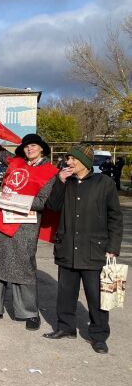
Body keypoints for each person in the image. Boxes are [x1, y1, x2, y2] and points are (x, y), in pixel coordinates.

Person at [43, 144, 123, 354]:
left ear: (85, 162)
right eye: (67, 158)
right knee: (65, 293)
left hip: (94, 250)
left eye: (72, 158)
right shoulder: (64, 181)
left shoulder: (104, 183)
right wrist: (59, 182)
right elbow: (52, 206)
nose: (68, 162)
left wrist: (113, 246)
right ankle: (66, 328)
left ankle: (99, 336)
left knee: (97, 297)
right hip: (67, 247)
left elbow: (115, 217)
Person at [0, 133, 59, 331]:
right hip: (2, 220)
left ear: (42, 149)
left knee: (24, 269)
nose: (29, 149)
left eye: (33, 146)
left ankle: (29, 313)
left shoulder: (50, 172)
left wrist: (15, 200)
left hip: (25, 226)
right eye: (27, 146)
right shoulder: (16, 162)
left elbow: (43, 202)